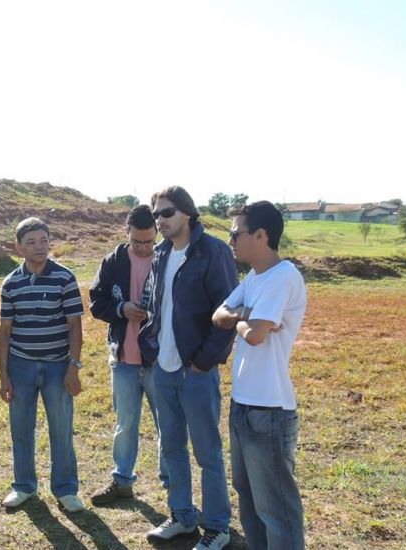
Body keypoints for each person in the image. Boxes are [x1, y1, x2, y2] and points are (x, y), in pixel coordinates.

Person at [139, 186, 238, 550]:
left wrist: (203, 362)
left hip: (195, 371)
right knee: (172, 449)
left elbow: (229, 311)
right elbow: (156, 306)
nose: (160, 220)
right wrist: (151, 349)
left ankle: (217, 527)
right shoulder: (161, 253)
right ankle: (182, 516)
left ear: (188, 212)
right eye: (156, 215)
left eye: (167, 213)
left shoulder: (213, 251)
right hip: (162, 369)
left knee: (207, 453)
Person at [212, 201, 307, 550]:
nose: (231, 240)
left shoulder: (282, 277)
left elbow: (255, 335)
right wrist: (245, 315)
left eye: (236, 233)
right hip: (244, 404)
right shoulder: (254, 278)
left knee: (276, 508)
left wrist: (241, 319)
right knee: (249, 499)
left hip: (269, 409)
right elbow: (218, 315)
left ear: (261, 235)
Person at [0, 218, 86, 513]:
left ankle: (66, 489)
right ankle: (23, 486)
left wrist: (73, 367)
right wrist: (4, 376)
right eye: (31, 242)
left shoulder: (65, 278)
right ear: (19, 247)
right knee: (21, 429)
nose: (39, 247)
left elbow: (74, 325)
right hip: (21, 366)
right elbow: (5, 331)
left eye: (44, 240)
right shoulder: (11, 283)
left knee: (61, 430)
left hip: (57, 366)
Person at [88, 204, 168, 505]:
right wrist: (122, 309)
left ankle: (173, 485)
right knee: (125, 424)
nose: (144, 247)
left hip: (161, 360)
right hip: (123, 359)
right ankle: (122, 481)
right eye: (137, 241)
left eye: (149, 241)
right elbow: (96, 302)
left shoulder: (167, 258)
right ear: (126, 233)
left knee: (168, 425)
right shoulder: (113, 261)